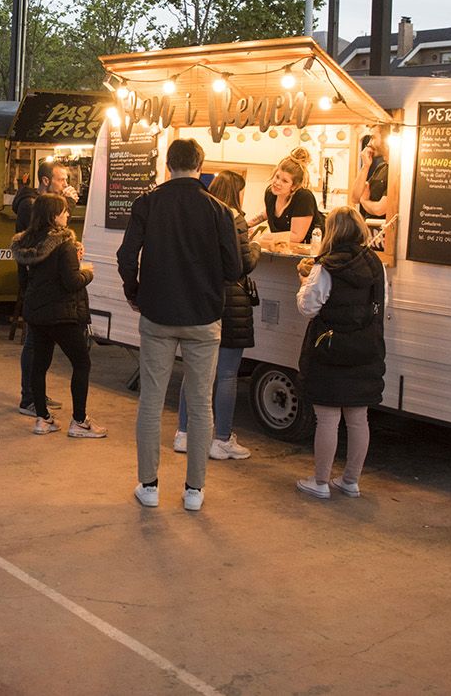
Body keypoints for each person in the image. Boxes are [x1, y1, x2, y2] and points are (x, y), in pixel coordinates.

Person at [117, 136, 241, 513]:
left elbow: (126, 256)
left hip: (157, 314)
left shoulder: (147, 203)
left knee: (152, 401)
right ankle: (194, 491)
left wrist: (134, 290)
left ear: (167, 165)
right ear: (200, 166)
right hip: (204, 317)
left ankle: (149, 486)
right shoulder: (220, 210)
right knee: (201, 403)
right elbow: (234, 268)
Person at [294, 205, 386, 500]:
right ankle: (350, 481)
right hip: (366, 347)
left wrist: (302, 284)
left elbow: (308, 307)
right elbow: (384, 304)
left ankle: (320, 482)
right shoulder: (376, 264)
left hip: (330, 350)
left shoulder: (325, 266)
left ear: (332, 231)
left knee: (328, 418)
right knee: (359, 418)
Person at [172, 170, 259, 461]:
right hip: (231, 302)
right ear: (237, 193)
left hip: (198, 300)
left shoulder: (200, 213)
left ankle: (183, 434)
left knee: (195, 370)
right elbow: (243, 264)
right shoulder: (235, 218)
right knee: (226, 374)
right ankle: (221, 439)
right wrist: (256, 247)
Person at [11, 193, 105, 439]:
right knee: (82, 363)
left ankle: (42, 419)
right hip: (63, 314)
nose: (67, 215)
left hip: (36, 313)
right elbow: (72, 281)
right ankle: (80, 421)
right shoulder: (64, 244)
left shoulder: (26, 243)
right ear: (54, 216)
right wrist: (87, 272)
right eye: (64, 211)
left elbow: (24, 281)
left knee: (39, 365)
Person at [13, 161, 69, 416]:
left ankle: (37, 394)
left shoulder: (38, 204)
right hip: (36, 283)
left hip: (42, 285)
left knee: (40, 342)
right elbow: (39, 239)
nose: (65, 184)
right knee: (33, 343)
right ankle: (29, 398)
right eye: (61, 179)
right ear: (46, 181)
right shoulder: (31, 206)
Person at [250, 157, 318, 246]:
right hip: (282, 248)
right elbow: (268, 211)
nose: (277, 183)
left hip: (309, 251)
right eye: (277, 177)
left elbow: (296, 236)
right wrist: (246, 225)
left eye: (284, 181)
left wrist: (263, 236)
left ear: (294, 186)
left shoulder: (303, 197)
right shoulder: (271, 193)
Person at [349, 129, 391, 221]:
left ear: (386, 140)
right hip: (371, 230)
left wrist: (364, 201)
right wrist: (365, 166)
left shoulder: (396, 172)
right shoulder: (381, 167)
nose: (369, 144)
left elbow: (380, 209)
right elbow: (355, 197)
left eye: (373, 138)